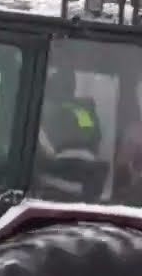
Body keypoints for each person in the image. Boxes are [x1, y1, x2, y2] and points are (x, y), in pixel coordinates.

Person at [32, 68, 107, 201]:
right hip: (87, 171)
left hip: (68, 171)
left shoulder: (57, 114)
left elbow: (47, 147)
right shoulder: (83, 111)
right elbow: (95, 138)